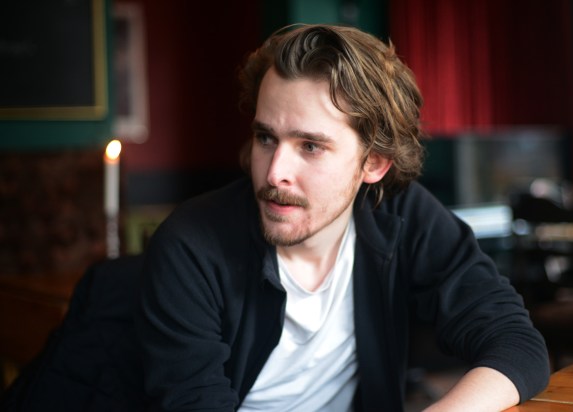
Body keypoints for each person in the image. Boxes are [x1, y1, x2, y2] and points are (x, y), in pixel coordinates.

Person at [136, 24, 550, 411]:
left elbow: (517, 345)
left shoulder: (400, 212)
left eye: (310, 146)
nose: (275, 172)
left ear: (374, 163)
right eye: (266, 137)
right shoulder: (191, 245)